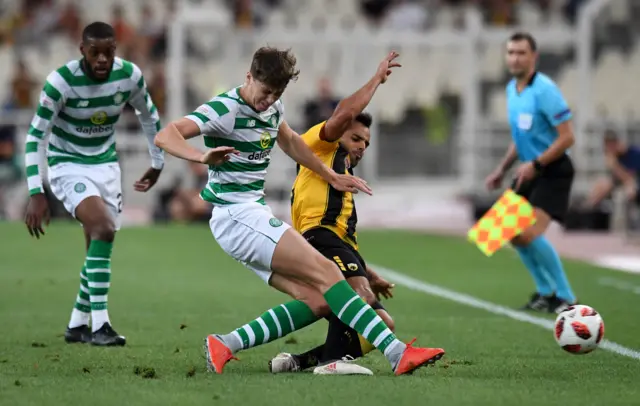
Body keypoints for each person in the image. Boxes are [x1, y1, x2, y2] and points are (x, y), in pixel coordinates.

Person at [154, 48, 445, 376]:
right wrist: (201, 156)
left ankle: (225, 344)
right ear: (249, 77)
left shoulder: (273, 107)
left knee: (318, 300)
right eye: (265, 91)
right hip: (237, 215)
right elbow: (165, 135)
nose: (269, 100)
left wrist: (332, 175)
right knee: (331, 274)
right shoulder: (225, 108)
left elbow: (291, 141)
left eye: (277, 93)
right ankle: (396, 353)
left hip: (247, 216)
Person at [24, 22, 164, 346]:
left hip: (106, 166)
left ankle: (77, 324)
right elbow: (35, 138)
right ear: (82, 50)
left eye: (108, 52)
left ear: (116, 49)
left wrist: (157, 161)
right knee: (103, 228)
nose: (102, 59)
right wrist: (36, 190)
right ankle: (100, 326)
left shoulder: (129, 76)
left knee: (99, 244)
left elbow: (149, 115)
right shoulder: (60, 83)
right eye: (95, 52)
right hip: (67, 166)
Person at [268, 108, 399, 375]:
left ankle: (299, 361)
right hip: (319, 237)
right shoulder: (322, 149)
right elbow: (343, 112)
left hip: (334, 244)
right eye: (356, 138)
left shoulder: (344, 177)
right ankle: (330, 364)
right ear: (339, 133)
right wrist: (376, 80)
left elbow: (347, 243)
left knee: (383, 323)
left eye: (366, 142)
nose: (362, 146)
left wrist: (369, 273)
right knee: (358, 296)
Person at [485, 32, 578, 314]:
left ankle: (566, 297)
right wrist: (502, 169)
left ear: (533, 57)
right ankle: (545, 292)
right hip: (529, 170)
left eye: (521, 53)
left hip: (552, 170)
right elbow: (520, 136)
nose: (515, 58)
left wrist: (536, 164)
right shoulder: (512, 89)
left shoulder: (545, 89)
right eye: (511, 52)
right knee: (503, 231)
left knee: (529, 232)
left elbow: (567, 138)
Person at [585, 129, 640, 209]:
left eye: (612, 145)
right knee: (600, 186)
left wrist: (615, 166)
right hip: (620, 183)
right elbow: (613, 180)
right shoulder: (614, 156)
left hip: (634, 183)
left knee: (627, 192)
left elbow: (628, 179)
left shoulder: (634, 153)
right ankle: (588, 211)